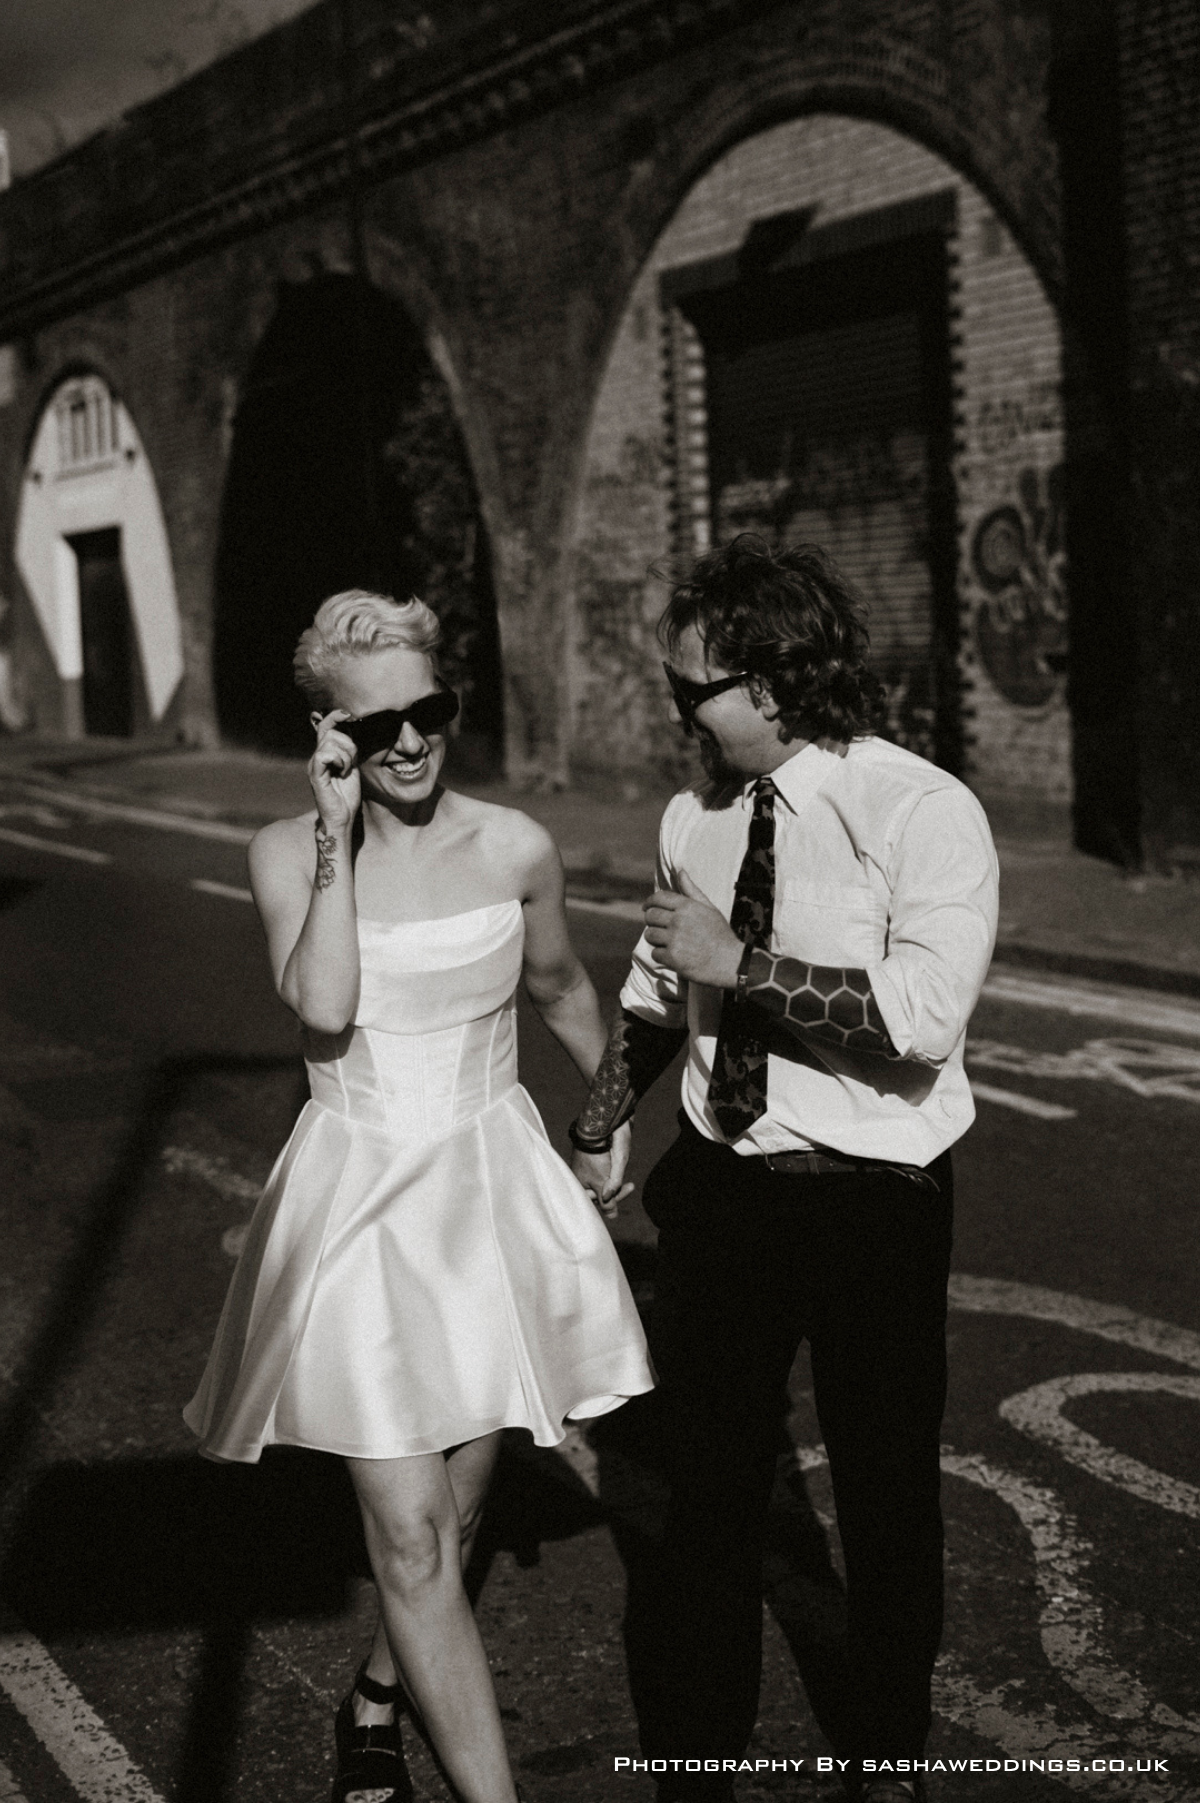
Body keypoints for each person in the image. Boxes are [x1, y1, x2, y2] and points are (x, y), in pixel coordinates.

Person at [184, 588, 653, 1803]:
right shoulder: (286, 854)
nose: (409, 741)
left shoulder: (513, 848)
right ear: (329, 735)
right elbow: (326, 1007)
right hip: (359, 1204)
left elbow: (558, 992)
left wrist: (602, 1125)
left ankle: (378, 1697)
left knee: (459, 1504)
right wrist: (336, 836)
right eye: (374, 725)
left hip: (488, 1190)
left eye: (429, 710)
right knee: (409, 1534)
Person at [570, 537, 999, 1803]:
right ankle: (702, 1763)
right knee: (707, 1507)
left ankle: (887, 1759)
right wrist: (601, 1119)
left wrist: (738, 962)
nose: (674, 710)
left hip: (875, 1201)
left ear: (772, 678)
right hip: (727, 1182)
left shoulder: (919, 809)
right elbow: (656, 990)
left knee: (882, 1498)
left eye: (690, 686)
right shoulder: (690, 816)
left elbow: (923, 1014)